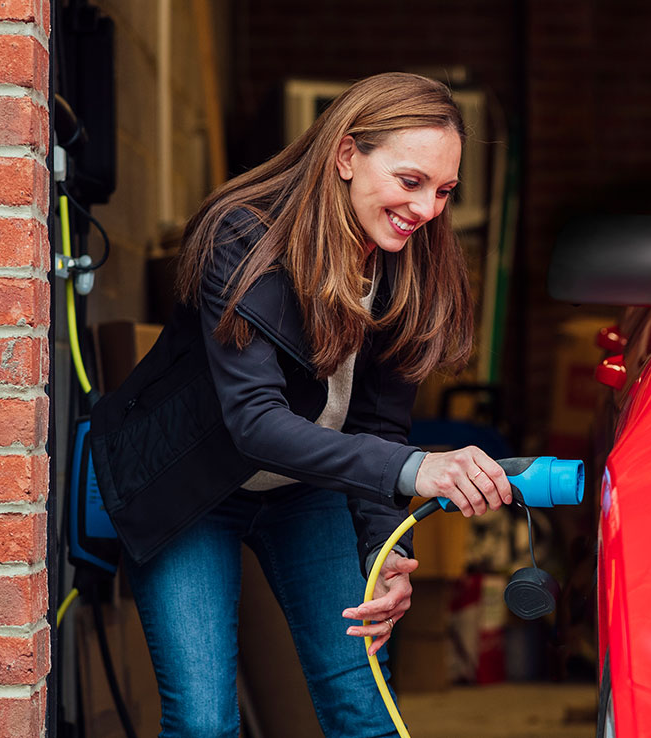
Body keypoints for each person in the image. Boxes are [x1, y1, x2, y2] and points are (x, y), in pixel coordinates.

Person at [88, 72, 512, 738]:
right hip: (191, 488)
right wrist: (416, 471)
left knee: (362, 707)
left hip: (305, 491)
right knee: (203, 723)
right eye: (410, 182)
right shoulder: (242, 239)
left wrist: (384, 554)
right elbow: (254, 423)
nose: (428, 209)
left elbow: (378, 426)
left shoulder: (410, 266)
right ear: (346, 155)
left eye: (444, 191)